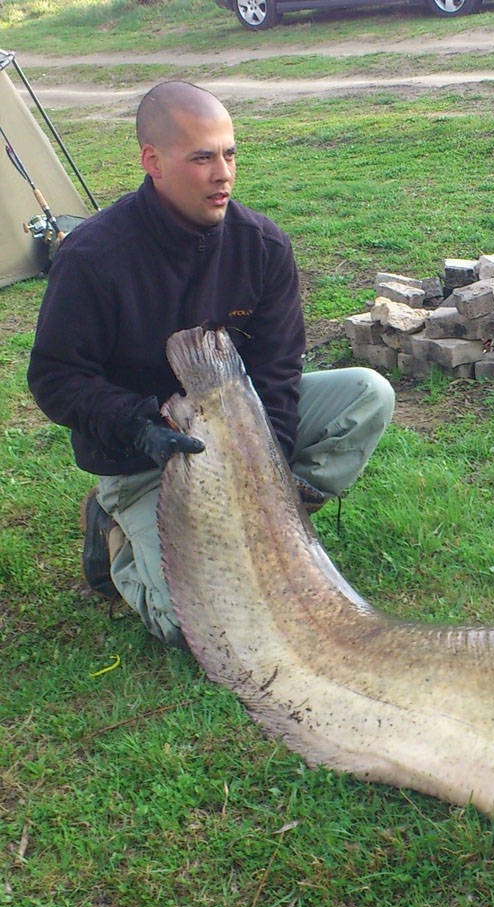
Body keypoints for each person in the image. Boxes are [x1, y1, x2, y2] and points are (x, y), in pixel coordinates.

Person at [28, 80, 395, 647]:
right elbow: (55, 379)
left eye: (229, 153)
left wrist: (261, 480)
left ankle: (270, 524)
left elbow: (277, 374)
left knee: (368, 393)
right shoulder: (93, 257)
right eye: (202, 157)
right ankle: (115, 536)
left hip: (234, 437)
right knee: (196, 627)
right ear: (152, 160)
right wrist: (140, 424)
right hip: (140, 454)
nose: (223, 172)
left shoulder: (263, 246)